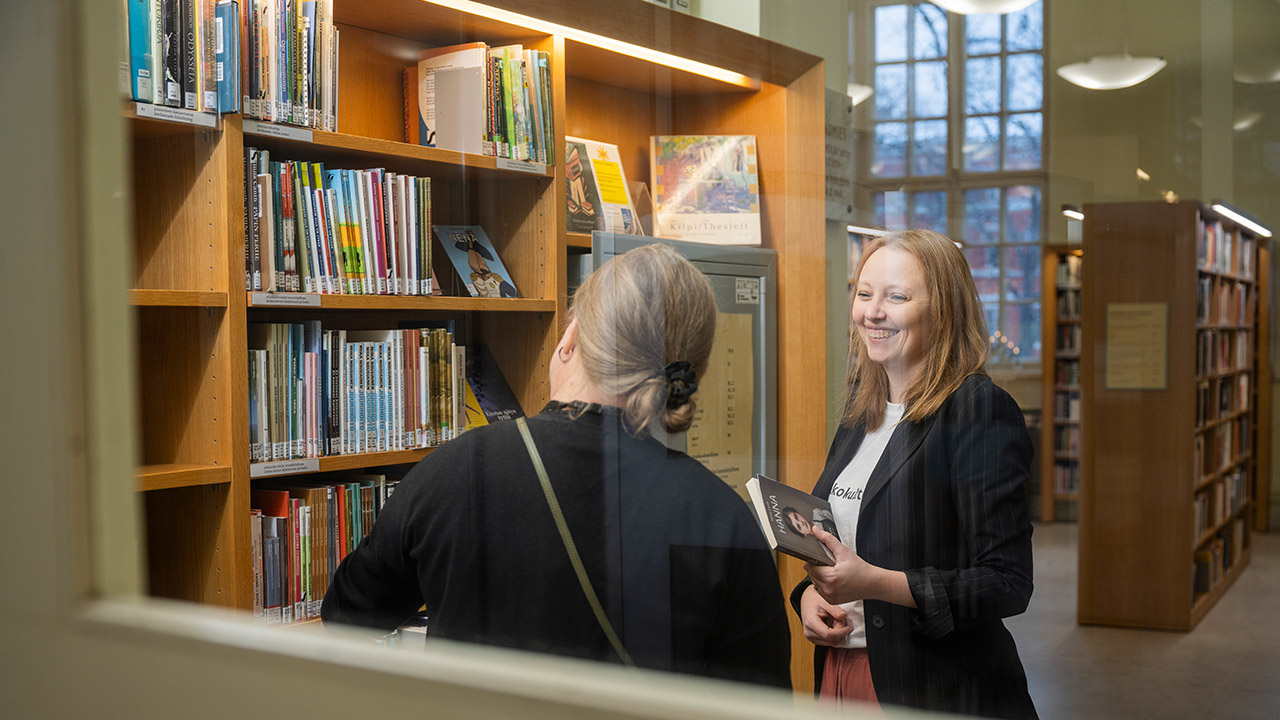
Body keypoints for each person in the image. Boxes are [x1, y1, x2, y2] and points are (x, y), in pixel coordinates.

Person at [322, 243, 792, 688]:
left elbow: (348, 616)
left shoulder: (455, 470)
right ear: (688, 376)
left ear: (569, 340)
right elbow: (761, 700)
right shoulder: (721, 517)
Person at [792, 229, 1037, 719]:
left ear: (942, 310)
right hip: (843, 668)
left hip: (935, 685)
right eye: (864, 294)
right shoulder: (863, 409)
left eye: (897, 297)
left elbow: (1007, 582)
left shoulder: (976, 409)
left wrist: (874, 583)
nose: (873, 312)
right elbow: (852, 542)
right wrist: (807, 598)